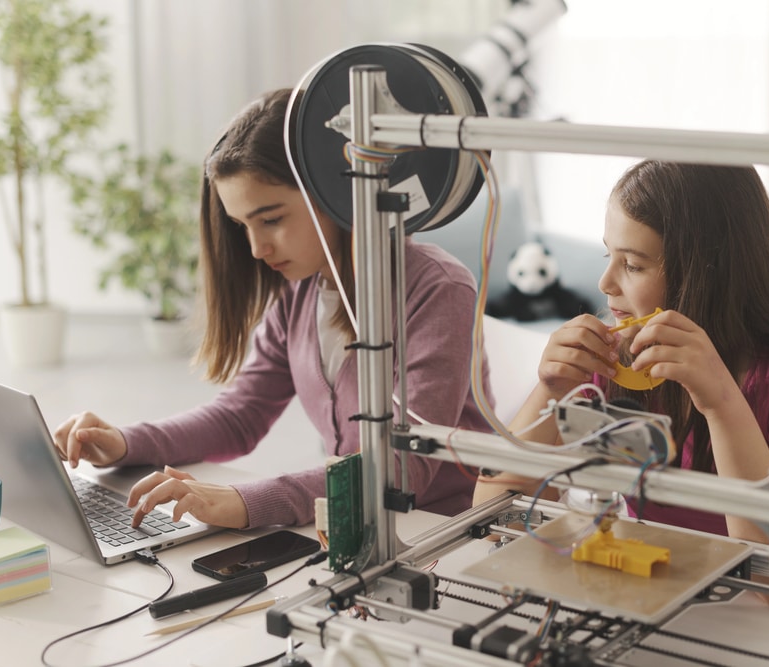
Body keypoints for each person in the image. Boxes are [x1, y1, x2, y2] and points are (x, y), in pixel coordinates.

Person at [53, 88, 491, 530]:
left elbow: (401, 467)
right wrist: (124, 442)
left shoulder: (438, 289)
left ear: (334, 192)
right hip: (353, 529)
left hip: (442, 535)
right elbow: (240, 416)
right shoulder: (299, 293)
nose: (257, 249)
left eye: (272, 219)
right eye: (243, 226)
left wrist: (243, 501)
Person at [474, 159, 769, 545]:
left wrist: (721, 402)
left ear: (710, 276)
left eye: (634, 265)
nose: (605, 283)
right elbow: (489, 520)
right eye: (609, 257)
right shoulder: (615, 362)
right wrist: (550, 390)